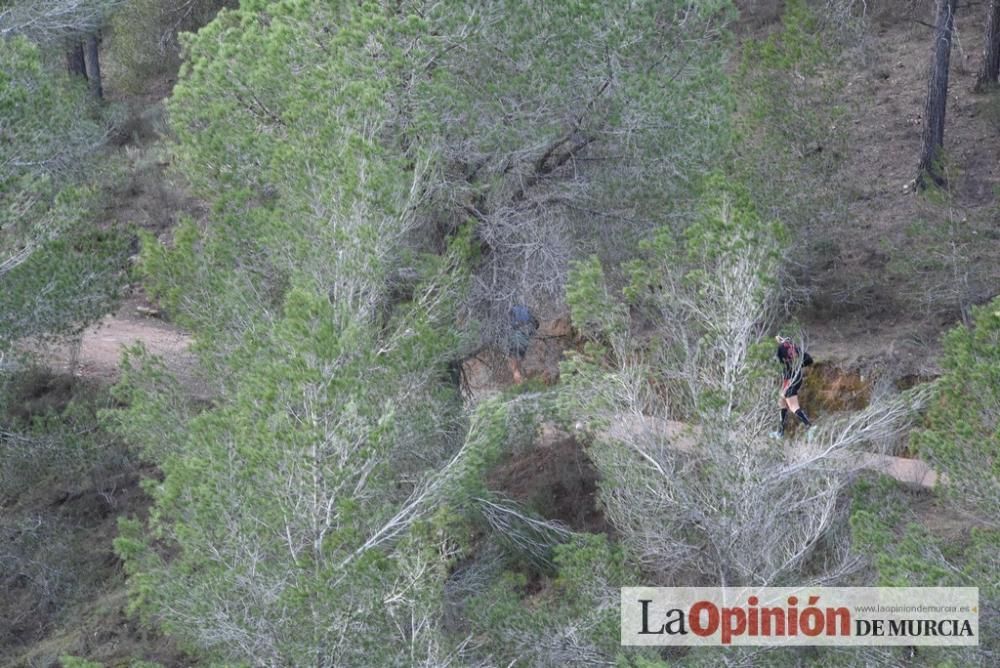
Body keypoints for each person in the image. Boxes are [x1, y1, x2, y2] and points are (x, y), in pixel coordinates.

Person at [771, 335, 813, 438]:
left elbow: (776, 363)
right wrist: (798, 366)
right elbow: (809, 359)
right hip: (796, 377)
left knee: (793, 406)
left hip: (790, 379)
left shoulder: (780, 348)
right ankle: (780, 432)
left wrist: (788, 368)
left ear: (781, 339)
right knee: (781, 401)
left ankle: (809, 427)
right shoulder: (794, 347)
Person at [508, 304, 538, 384]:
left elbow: (509, 325)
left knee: (514, 367)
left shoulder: (512, 311)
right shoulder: (527, 310)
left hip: (516, 339)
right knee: (520, 362)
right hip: (525, 341)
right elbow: (536, 324)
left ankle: (520, 385)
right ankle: (523, 382)